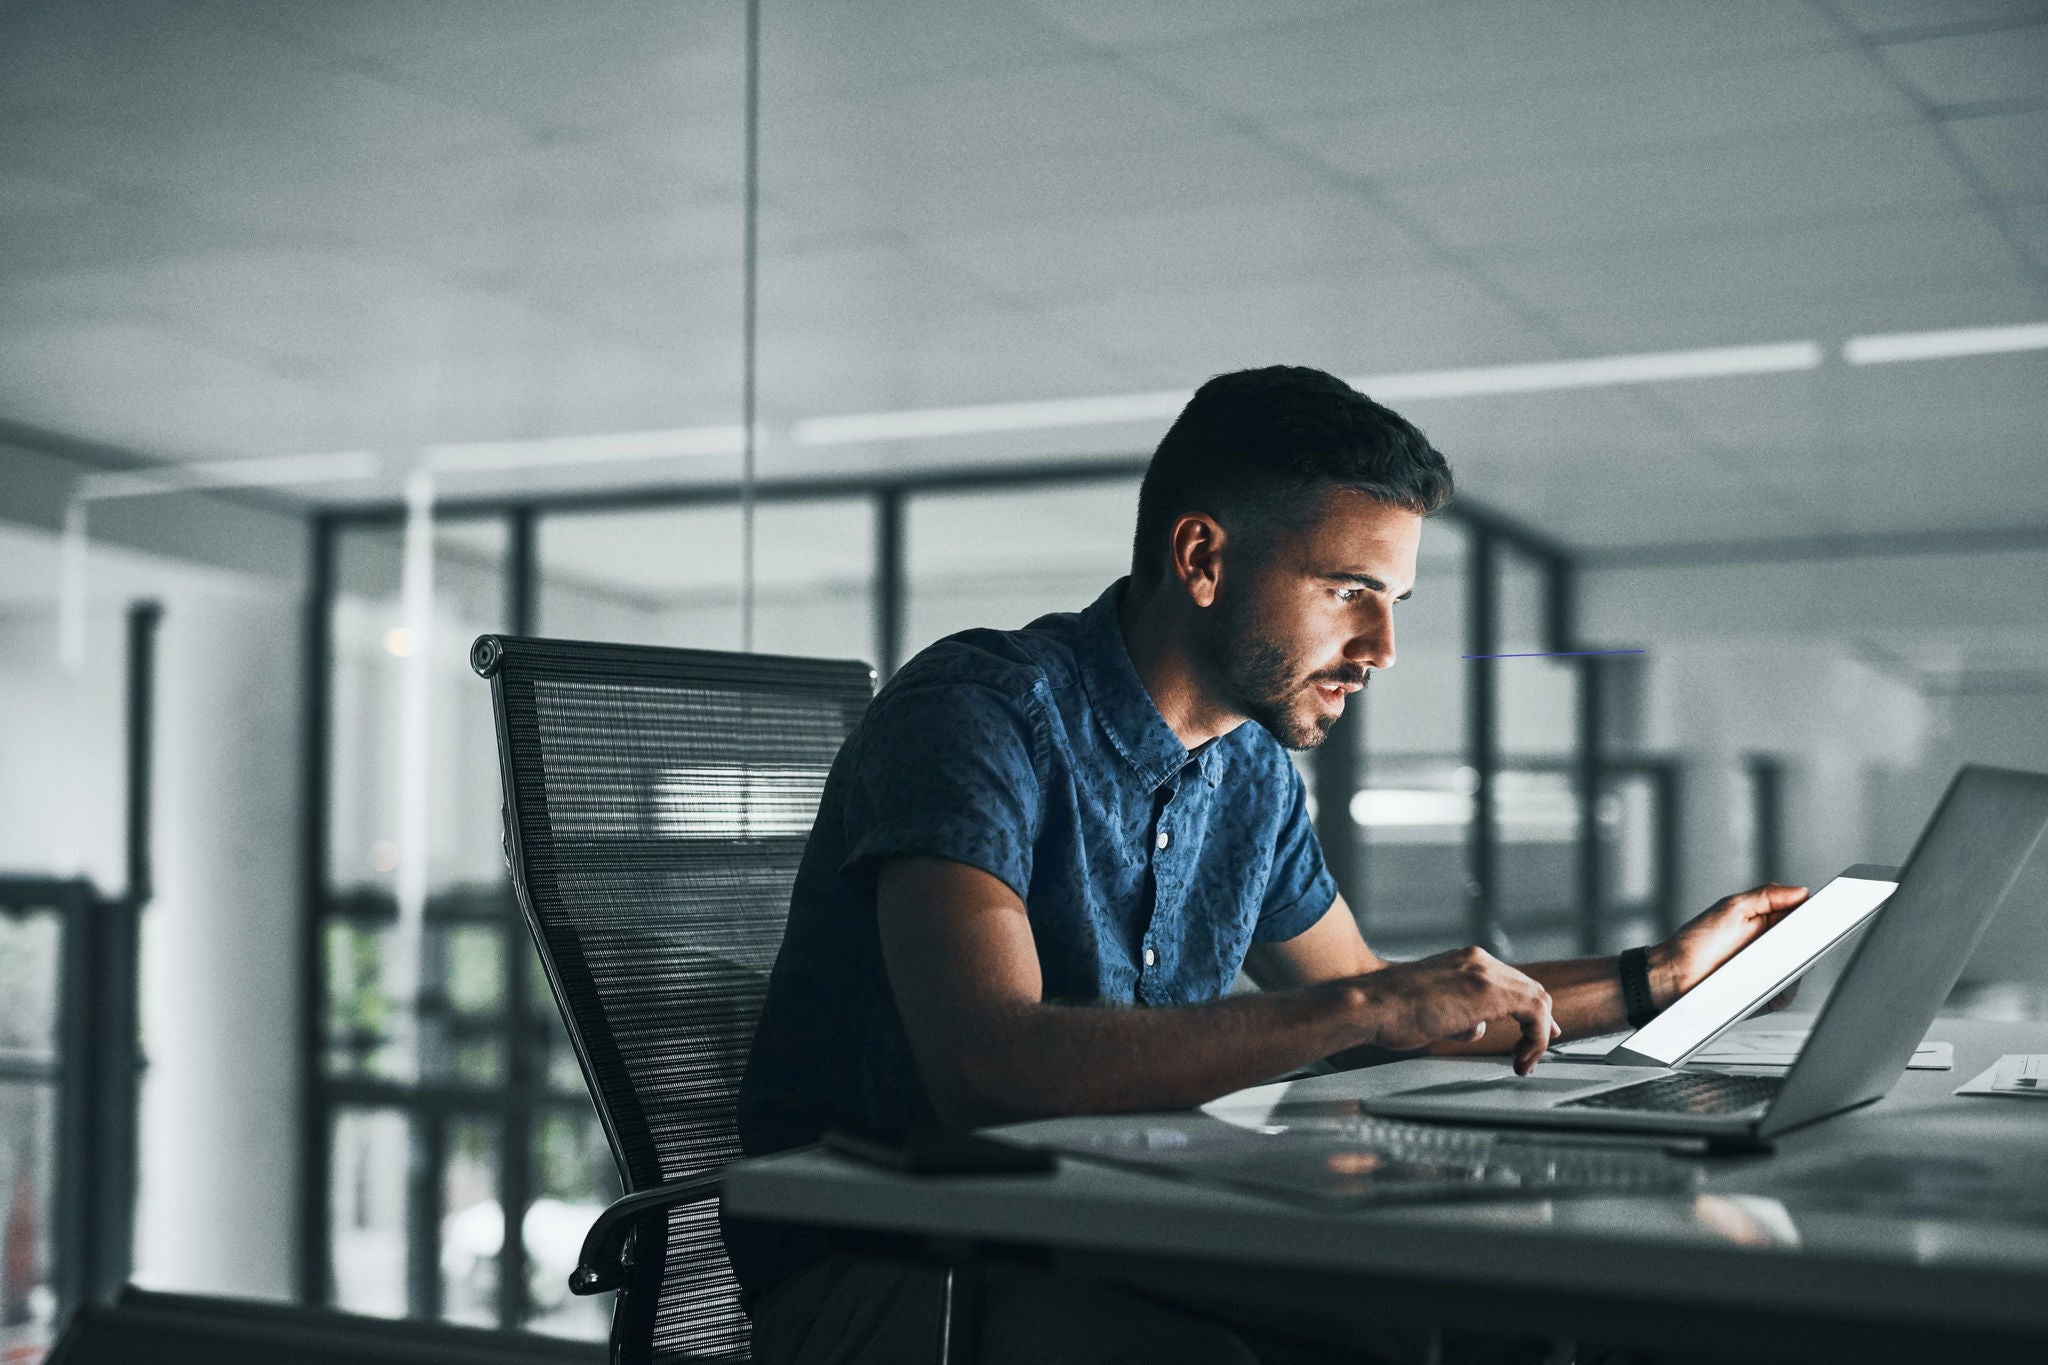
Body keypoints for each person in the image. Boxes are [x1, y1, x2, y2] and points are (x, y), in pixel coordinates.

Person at [726, 366, 1805, 1364]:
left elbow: (1392, 1013)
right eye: (1348, 589)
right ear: (1200, 559)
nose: (1381, 646)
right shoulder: (977, 718)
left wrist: (1652, 979)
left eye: (1394, 602)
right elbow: (987, 1073)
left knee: (1496, 1330)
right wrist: (1366, 1006)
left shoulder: (1245, 772)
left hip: (1108, 1227)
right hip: (895, 1264)